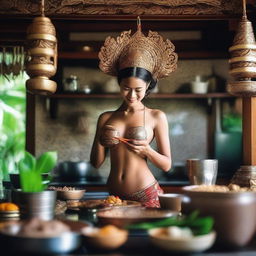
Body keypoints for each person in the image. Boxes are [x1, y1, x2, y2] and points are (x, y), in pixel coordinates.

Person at [90, 18, 178, 207]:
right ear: (119, 85)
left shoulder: (156, 116)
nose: (131, 95)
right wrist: (100, 138)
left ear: (147, 86)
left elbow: (167, 164)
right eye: (125, 88)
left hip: (146, 193)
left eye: (138, 90)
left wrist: (146, 150)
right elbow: (96, 163)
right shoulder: (105, 117)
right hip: (114, 196)